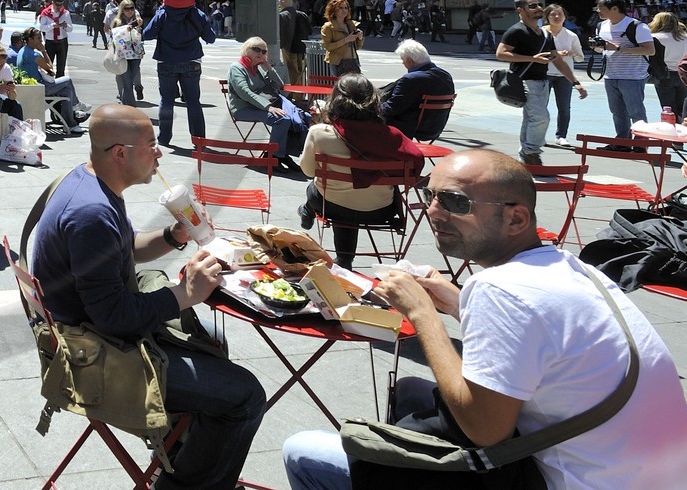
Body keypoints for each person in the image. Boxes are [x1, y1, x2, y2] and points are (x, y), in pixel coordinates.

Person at [282, 149, 687, 490]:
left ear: (516, 219)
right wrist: (457, 303)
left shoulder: (501, 289)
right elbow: (543, 337)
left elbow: (484, 430)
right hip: (651, 475)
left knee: (303, 450)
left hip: (579, 481)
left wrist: (423, 314)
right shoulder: (571, 268)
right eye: (429, 195)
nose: (434, 213)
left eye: (456, 202)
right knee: (411, 392)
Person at [30, 105, 266, 490]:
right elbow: (115, 317)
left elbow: (125, 250)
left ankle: (184, 457)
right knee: (246, 395)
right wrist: (186, 293)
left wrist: (174, 236)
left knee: (212, 339)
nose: (160, 154)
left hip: (91, 331)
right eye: (152, 145)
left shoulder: (89, 183)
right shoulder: (91, 212)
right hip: (94, 357)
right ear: (120, 153)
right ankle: (187, 483)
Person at [296, 74, 425, 269]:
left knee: (321, 192)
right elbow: (415, 161)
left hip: (330, 206)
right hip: (381, 211)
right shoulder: (392, 135)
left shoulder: (320, 133)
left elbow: (307, 171)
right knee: (348, 196)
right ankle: (344, 258)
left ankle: (343, 256)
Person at [497, 0, 581, 166]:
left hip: (542, 82)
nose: (538, 8)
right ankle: (531, 153)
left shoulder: (544, 33)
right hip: (525, 81)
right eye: (532, 6)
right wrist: (532, 58)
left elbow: (557, 59)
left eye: (539, 5)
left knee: (531, 119)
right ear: (520, 10)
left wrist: (575, 82)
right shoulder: (517, 30)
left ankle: (525, 156)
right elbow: (501, 53)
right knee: (541, 118)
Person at [226, 37, 309, 165]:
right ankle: (273, 156)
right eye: (256, 49)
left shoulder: (258, 68)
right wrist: (268, 107)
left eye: (264, 52)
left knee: (305, 117)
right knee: (282, 119)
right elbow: (244, 92)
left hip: (261, 106)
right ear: (246, 50)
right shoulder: (237, 68)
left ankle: (286, 152)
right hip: (244, 108)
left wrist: (268, 67)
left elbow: (279, 86)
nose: (260, 54)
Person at [145, 0, 217, 147]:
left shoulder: (163, 14)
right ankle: (199, 138)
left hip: (166, 60)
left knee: (166, 100)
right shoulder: (197, 14)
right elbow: (211, 38)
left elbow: (147, 34)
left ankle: (164, 138)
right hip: (192, 60)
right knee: (193, 101)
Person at [592, 0, 654, 140]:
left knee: (635, 111)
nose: (598, 11)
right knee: (617, 112)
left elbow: (650, 50)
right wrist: (597, 47)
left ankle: (640, 143)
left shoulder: (637, 26)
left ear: (614, 8)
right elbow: (605, 49)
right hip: (611, 75)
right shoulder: (601, 26)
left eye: (601, 8)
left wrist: (619, 49)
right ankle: (622, 141)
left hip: (633, 76)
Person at [379, 40, 456, 141]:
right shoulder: (445, 75)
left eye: (403, 60)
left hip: (411, 128)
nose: (403, 63)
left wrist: (374, 107)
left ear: (410, 61)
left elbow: (392, 108)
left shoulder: (410, 79)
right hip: (435, 127)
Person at [17, 28, 88, 135]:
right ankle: (76, 104)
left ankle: (70, 124)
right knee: (67, 80)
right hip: (40, 88)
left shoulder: (23, 51)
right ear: (30, 39)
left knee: (67, 93)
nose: (41, 41)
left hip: (33, 87)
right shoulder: (34, 55)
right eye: (38, 38)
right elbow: (50, 69)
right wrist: (44, 51)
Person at [540, 4, 590, 148]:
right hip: (544, 73)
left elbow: (580, 57)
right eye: (552, 15)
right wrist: (555, 54)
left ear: (565, 17)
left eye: (560, 14)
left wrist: (572, 53)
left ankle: (561, 136)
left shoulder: (571, 35)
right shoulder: (541, 33)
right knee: (541, 107)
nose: (556, 17)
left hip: (565, 76)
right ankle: (540, 135)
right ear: (547, 17)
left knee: (564, 107)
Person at [648, 11, 687, 120]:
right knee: (682, 108)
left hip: (664, 75)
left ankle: (671, 129)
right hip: (683, 74)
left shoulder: (654, 37)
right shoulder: (684, 37)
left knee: (668, 108)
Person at [108, 1, 146, 107]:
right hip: (123, 55)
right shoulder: (117, 21)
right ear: (122, 10)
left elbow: (144, 34)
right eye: (126, 9)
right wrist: (125, 29)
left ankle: (126, 106)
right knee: (127, 81)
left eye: (132, 8)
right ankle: (131, 107)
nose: (130, 11)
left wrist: (139, 27)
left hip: (136, 54)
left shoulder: (138, 20)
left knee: (130, 81)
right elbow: (113, 35)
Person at [320, 0, 364, 75]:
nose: (344, 10)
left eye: (346, 8)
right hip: (338, 62)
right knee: (341, 85)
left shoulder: (350, 24)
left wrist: (360, 38)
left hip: (353, 61)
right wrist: (346, 40)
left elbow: (357, 47)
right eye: (341, 8)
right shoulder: (328, 27)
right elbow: (327, 46)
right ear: (334, 10)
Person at [278, 0, 313, 88]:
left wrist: (281, 45)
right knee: (301, 71)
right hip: (301, 48)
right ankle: (301, 92)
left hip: (288, 47)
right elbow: (310, 31)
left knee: (292, 71)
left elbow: (281, 33)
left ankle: (296, 93)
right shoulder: (303, 15)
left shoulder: (282, 16)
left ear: (282, 3)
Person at [39, 0, 73, 76]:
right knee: (48, 65)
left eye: (61, 5)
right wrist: (52, 26)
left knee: (61, 66)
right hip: (50, 42)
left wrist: (65, 26)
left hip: (62, 41)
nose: (59, 7)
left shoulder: (65, 13)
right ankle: (49, 84)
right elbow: (42, 28)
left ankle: (60, 84)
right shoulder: (45, 13)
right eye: (57, 5)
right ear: (52, 3)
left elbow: (70, 28)